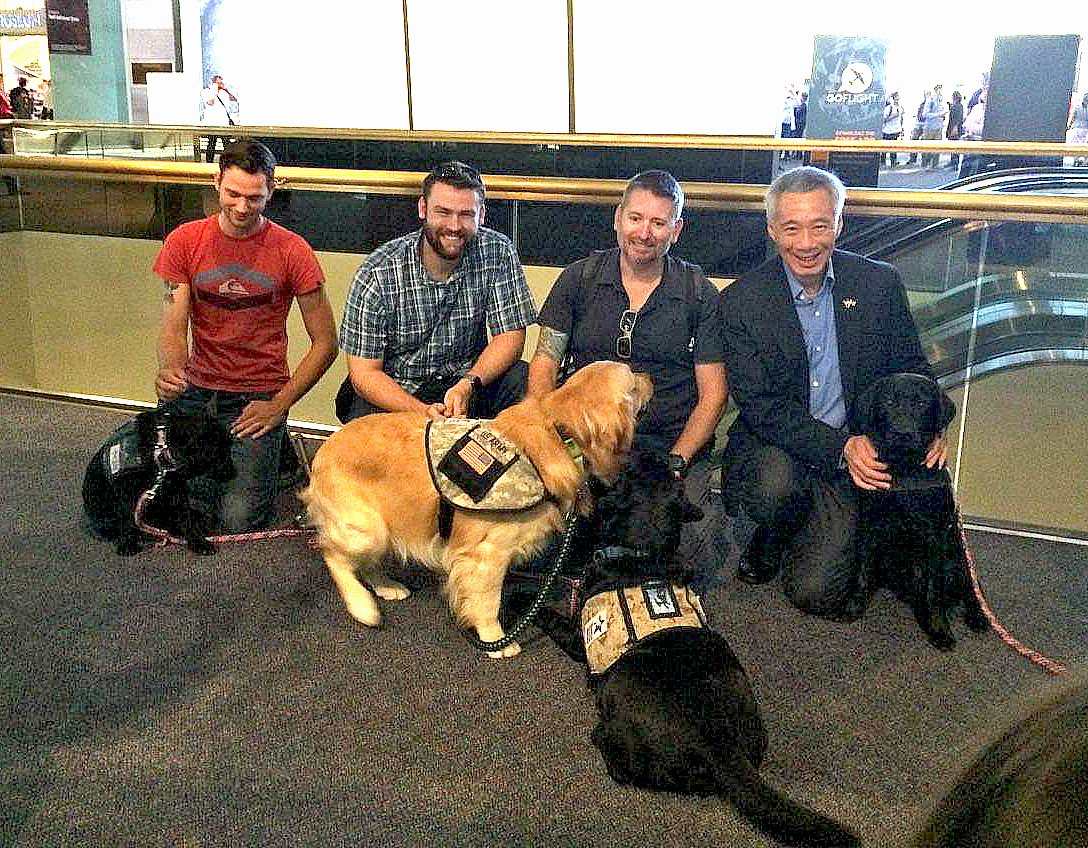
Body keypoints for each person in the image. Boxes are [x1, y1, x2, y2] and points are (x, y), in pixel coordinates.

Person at [719, 166, 948, 620]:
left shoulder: (879, 283)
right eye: (792, 228)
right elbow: (761, 406)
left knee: (817, 595)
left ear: (839, 224)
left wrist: (929, 428)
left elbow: (911, 368)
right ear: (772, 230)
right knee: (773, 487)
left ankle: (829, 521)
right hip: (781, 447)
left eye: (820, 225)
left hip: (857, 449)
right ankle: (776, 528)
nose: (806, 243)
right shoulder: (741, 301)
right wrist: (841, 447)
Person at [527, 169, 727, 571]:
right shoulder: (578, 279)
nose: (644, 232)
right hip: (589, 444)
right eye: (636, 218)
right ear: (617, 219)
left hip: (667, 450)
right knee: (540, 549)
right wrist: (549, 437)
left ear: (677, 229)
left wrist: (676, 463)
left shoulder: (697, 293)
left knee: (690, 555)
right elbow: (544, 364)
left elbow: (713, 396)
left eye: (658, 222)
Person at [154, 140, 337, 532]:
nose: (241, 207)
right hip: (198, 387)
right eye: (232, 194)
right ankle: (271, 454)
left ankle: (274, 448)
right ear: (216, 182)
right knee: (169, 499)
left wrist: (279, 403)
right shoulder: (184, 241)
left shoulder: (293, 251)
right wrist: (170, 371)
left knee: (237, 521)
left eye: (254, 198)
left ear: (272, 189)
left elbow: (326, 342)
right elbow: (174, 321)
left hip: (259, 392)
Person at [337, 160, 536, 422]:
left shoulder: (497, 251)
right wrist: (421, 412)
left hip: (466, 382)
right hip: (399, 388)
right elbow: (364, 374)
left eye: (466, 214)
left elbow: (510, 337)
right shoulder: (377, 273)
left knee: (522, 379)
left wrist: (468, 384)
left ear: (482, 215)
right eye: (443, 212)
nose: (454, 226)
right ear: (423, 208)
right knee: (365, 422)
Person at [200, 74, 238, 163]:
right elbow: (210, 102)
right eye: (218, 83)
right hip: (212, 123)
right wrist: (215, 90)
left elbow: (235, 99)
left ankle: (227, 162)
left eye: (221, 82)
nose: (220, 84)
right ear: (213, 83)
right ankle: (209, 163)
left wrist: (227, 90)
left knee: (226, 144)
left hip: (224, 123)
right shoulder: (206, 91)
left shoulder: (224, 92)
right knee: (211, 144)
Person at [921, 84, 948, 168]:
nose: (941, 91)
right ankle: (925, 164)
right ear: (935, 90)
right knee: (927, 147)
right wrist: (939, 114)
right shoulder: (930, 100)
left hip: (939, 127)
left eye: (941, 89)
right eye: (939, 89)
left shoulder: (942, 101)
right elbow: (925, 114)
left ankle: (935, 164)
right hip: (929, 127)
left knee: (937, 147)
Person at [881, 92, 904, 167]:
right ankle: (883, 162)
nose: (897, 100)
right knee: (884, 148)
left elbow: (900, 119)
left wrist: (901, 129)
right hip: (887, 131)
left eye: (898, 98)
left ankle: (893, 162)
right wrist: (893, 116)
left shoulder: (900, 107)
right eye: (896, 98)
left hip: (895, 130)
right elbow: (884, 120)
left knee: (894, 147)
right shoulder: (889, 108)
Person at [945, 90, 964, 169]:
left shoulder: (959, 106)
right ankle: (952, 161)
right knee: (952, 145)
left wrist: (955, 127)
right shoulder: (955, 105)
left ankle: (955, 163)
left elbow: (958, 117)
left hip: (955, 127)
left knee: (955, 145)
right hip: (952, 126)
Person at [1067, 93, 1088, 166]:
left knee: (1075, 146)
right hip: (1085, 130)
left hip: (1076, 128)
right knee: (1082, 146)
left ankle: (1076, 160)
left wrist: (1069, 126)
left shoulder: (1077, 107)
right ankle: (1081, 161)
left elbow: (1072, 117)